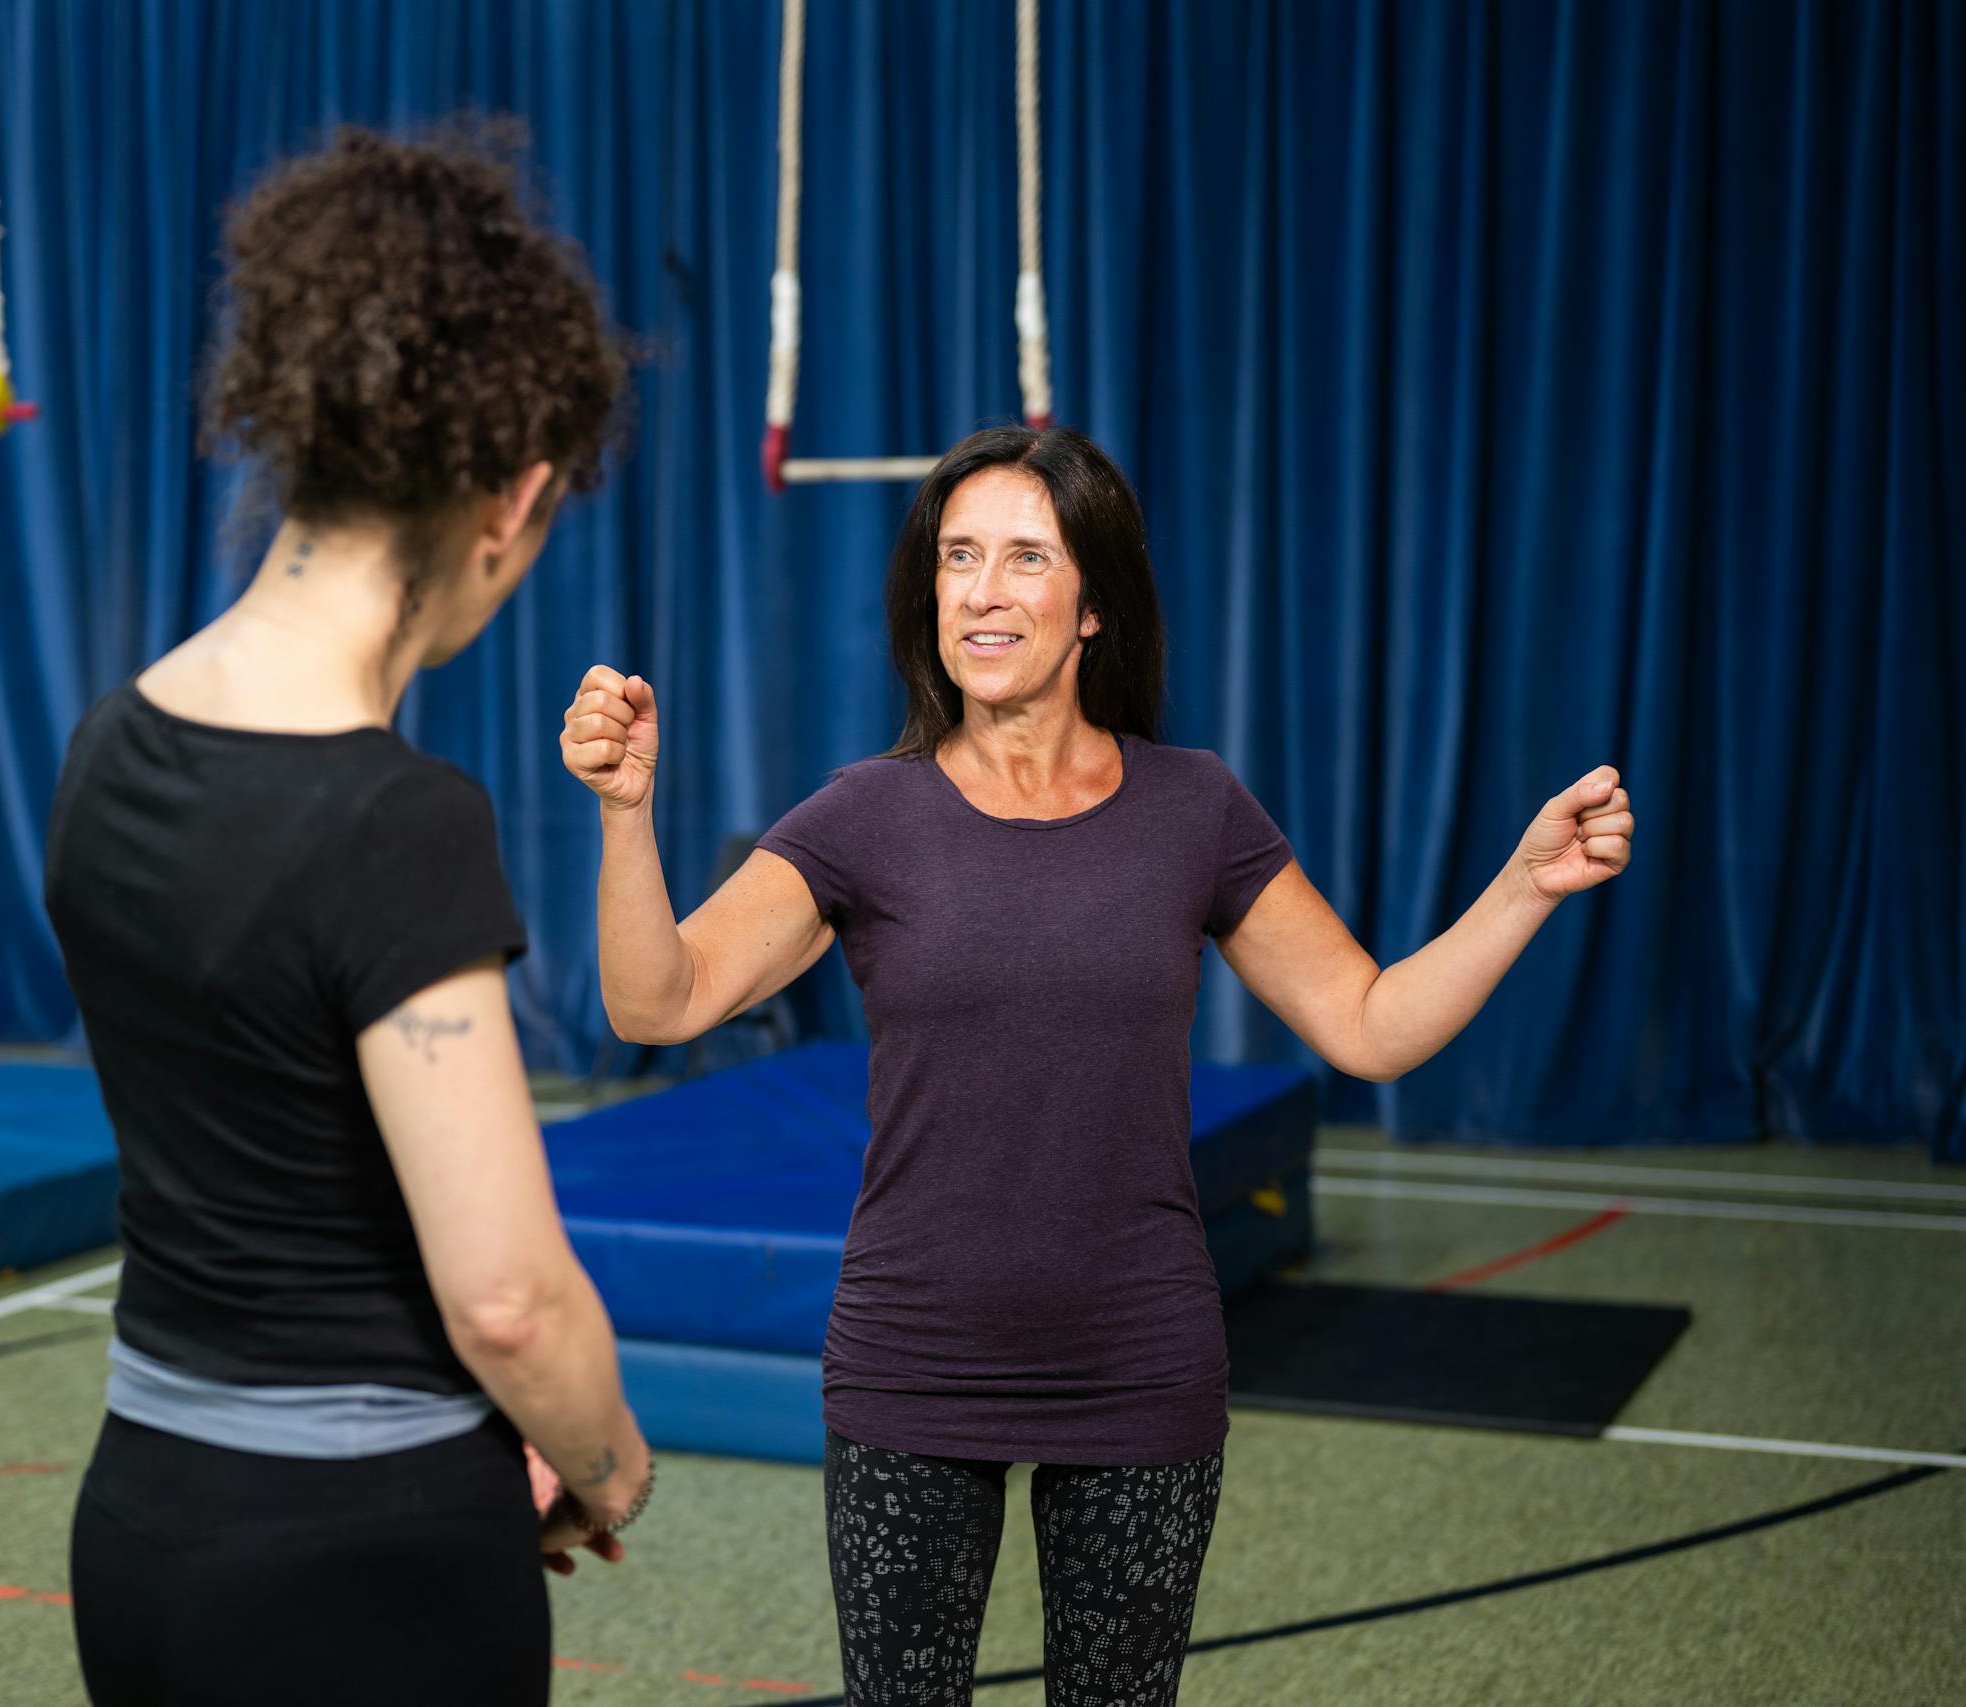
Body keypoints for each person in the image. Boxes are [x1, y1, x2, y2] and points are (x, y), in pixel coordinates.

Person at [559, 424, 1634, 1705]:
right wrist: (627, 818)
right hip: (914, 1361)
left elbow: (1369, 1021)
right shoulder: (864, 815)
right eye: (958, 556)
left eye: (1025, 556)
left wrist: (1522, 887)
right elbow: (656, 1002)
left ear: (1093, 609)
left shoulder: (1194, 807)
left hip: (1139, 1358)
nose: (981, 589)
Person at [46, 125, 652, 1707]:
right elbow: (507, 1294)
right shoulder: (402, 823)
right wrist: (604, 1455)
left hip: (141, 1519)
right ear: (511, 502)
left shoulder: (110, 745)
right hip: (364, 1559)